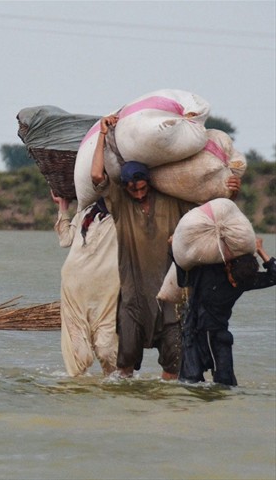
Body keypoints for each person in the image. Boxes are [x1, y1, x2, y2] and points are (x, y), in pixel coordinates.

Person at [90, 115, 241, 379]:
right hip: (133, 298)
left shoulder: (173, 199)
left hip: (172, 297)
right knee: (123, 368)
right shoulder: (120, 204)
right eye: (132, 190)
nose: (138, 194)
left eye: (141, 188)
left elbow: (213, 209)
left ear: (149, 182)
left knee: (173, 368)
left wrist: (231, 191)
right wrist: (103, 134)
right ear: (125, 188)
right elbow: (95, 175)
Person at [176, 237, 276, 386]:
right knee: (189, 381)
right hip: (194, 333)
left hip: (219, 335)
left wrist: (260, 250)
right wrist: (173, 250)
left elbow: (274, 276)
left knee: (226, 384)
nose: (235, 284)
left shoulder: (246, 279)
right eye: (232, 279)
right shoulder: (208, 271)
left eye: (238, 283)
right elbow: (183, 280)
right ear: (228, 267)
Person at [52, 192, 119, 376]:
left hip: (108, 292)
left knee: (107, 351)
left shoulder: (126, 214)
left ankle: (113, 395)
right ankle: (78, 396)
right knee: (79, 354)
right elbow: (65, 239)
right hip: (74, 289)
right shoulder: (86, 212)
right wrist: (63, 207)